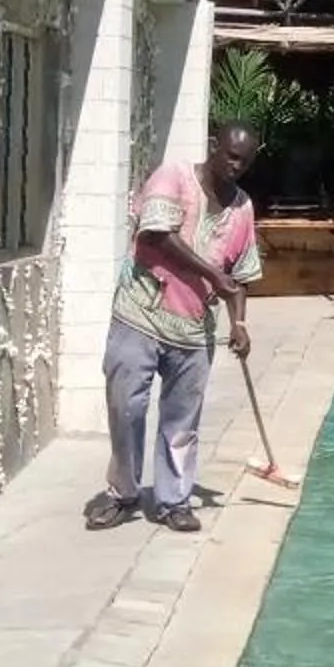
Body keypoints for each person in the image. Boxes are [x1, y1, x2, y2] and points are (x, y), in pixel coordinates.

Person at [88, 122, 263, 534]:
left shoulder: (243, 208)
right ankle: (123, 493)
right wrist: (212, 275)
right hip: (140, 315)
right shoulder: (174, 176)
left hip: (193, 331)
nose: (236, 166)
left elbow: (240, 276)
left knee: (182, 421)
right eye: (230, 156)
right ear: (213, 146)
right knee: (126, 407)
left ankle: (174, 501)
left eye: (244, 161)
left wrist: (239, 322)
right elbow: (157, 234)